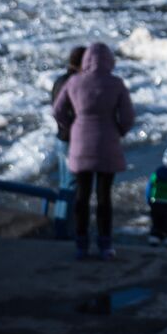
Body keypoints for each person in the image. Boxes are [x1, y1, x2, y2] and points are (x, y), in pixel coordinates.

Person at [52, 41, 135, 260]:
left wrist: (72, 127)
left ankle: (81, 245)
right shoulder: (116, 84)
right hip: (108, 145)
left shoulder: (74, 82)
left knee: (82, 196)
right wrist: (118, 130)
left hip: (80, 145)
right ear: (109, 60)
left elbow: (58, 111)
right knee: (104, 197)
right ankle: (105, 246)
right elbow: (128, 117)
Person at [48, 45, 86, 238]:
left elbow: (56, 110)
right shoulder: (76, 84)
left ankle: (60, 226)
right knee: (72, 186)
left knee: (65, 184)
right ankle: (63, 232)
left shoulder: (58, 81)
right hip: (73, 141)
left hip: (60, 138)